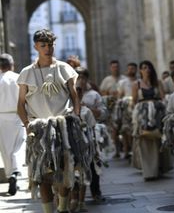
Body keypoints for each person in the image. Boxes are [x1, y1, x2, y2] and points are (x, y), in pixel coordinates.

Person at [17, 29, 81, 213]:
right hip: (39, 129)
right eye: (43, 45)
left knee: (65, 170)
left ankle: (62, 207)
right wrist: (27, 125)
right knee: (43, 175)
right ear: (36, 46)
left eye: (50, 44)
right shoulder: (26, 73)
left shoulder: (64, 68)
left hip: (64, 126)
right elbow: (20, 104)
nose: (48, 48)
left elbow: (75, 96)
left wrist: (76, 118)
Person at [74, 67, 107, 205]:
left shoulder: (94, 95)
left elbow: (104, 112)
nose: (80, 80)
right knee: (75, 164)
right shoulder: (69, 92)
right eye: (78, 77)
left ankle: (96, 192)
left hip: (92, 132)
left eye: (83, 77)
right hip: (75, 133)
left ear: (87, 79)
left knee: (94, 163)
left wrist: (89, 109)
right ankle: (75, 196)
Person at [131, 60, 168, 180]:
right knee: (145, 140)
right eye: (144, 67)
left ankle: (158, 169)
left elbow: (163, 98)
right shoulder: (136, 84)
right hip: (143, 115)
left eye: (148, 67)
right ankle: (148, 171)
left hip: (157, 113)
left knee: (157, 140)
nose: (147, 70)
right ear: (140, 70)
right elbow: (134, 101)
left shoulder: (157, 83)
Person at [0, 54, 26, 196]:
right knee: (19, 146)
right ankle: (16, 171)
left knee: (5, 149)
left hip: (1, 117)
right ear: (12, 64)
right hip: (17, 115)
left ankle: (11, 175)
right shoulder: (18, 78)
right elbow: (25, 98)